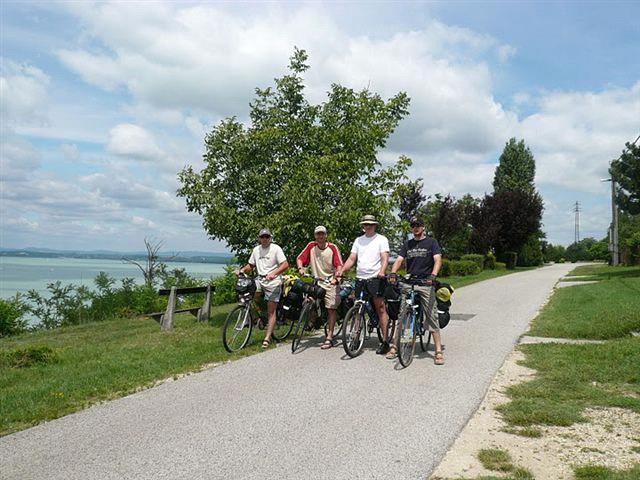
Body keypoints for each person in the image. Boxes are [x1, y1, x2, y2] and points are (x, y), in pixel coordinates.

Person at [388, 216, 444, 364]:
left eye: (418, 225)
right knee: (402, 314)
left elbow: (438, 260)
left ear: (423, 227)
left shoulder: (431, 242)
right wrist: (393, 272)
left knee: (431, 315)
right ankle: (394, 347)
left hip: (426, 283)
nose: (416, 228)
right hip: (409, 282)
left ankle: (438, 351)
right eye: (413, 225)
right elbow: (399, 260)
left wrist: (433, 275)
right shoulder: (408, 244)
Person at [337, 215, 391, 355]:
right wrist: (342, 270)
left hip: (375, 277)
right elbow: (352, 258)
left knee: (380, 308)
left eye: (371, 224)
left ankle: (385, 341)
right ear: (363, 226)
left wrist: (382, 271)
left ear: (375, 225)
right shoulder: (358, 240)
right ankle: (355, 337)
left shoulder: (381, 239)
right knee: (357, 306)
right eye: (366, 224)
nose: (368, 226)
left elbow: (385, 258)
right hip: (360, 278)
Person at [237, 228, 289, 348]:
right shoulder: (256, 250)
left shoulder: (276, 249)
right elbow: (251, 265)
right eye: (262, 237)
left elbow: (285, 264)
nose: (265, 239)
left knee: (271, 311)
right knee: (245, 296)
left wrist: (274, 274)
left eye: (267, 237)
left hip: (273, 282)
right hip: (260, 280)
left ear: (270, 238)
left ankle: (267, 337)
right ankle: (255, 318)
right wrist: (242, 270)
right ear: (259, 238)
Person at [296, 226, 343, 349]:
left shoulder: (332, 248)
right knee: (307, 299)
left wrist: (336, 278)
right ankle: (312, 320)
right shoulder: (311, 246)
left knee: (331, 308)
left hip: (329, 282)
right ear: (315, 236)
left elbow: (339, 265)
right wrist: (301, 268)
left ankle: (329, 337)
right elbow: (300, 258)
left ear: (326, 235)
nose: (320, 237)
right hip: (316, 281)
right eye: (318, 234)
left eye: (322, 234)